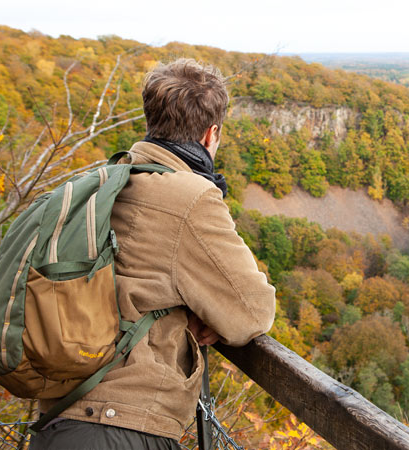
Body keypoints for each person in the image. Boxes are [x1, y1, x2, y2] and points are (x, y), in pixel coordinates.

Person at [29, 59, 276, 449]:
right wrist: (213, 313)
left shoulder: (102, 181)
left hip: (59, 418)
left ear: (152, 121)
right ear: (211, 134)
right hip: (122, 426)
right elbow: (252, 311)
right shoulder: (190, 197)